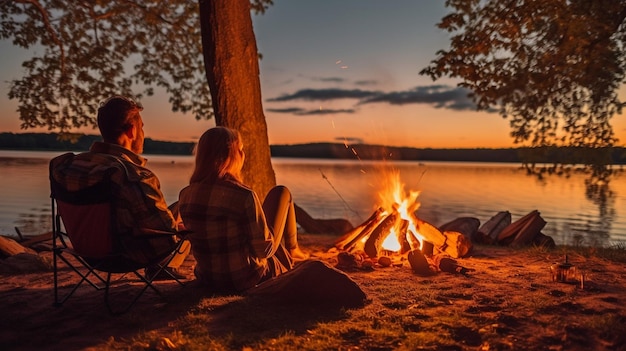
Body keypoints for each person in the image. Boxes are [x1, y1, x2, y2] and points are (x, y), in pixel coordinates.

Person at [49, 95, 190, 280]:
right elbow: (166, 236)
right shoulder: (131, 175)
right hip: (124, 255)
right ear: (132, 131)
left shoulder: (66, 166)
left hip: (84, 252)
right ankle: (163, 268)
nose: (143, 134)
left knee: (180, 204)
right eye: (142, 128)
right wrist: (183, 228)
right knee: (188, 204)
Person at [178, 126, 309, 293]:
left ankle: (292, 250)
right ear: (232, 155)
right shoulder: (244, 196)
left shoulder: (186, 195)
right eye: (240, 149)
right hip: (246, 278)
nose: (243, 154)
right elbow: (264, 251)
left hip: (208, 278)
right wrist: (270, 233)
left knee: (275, 203)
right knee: (281, 193)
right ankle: (293, 249)